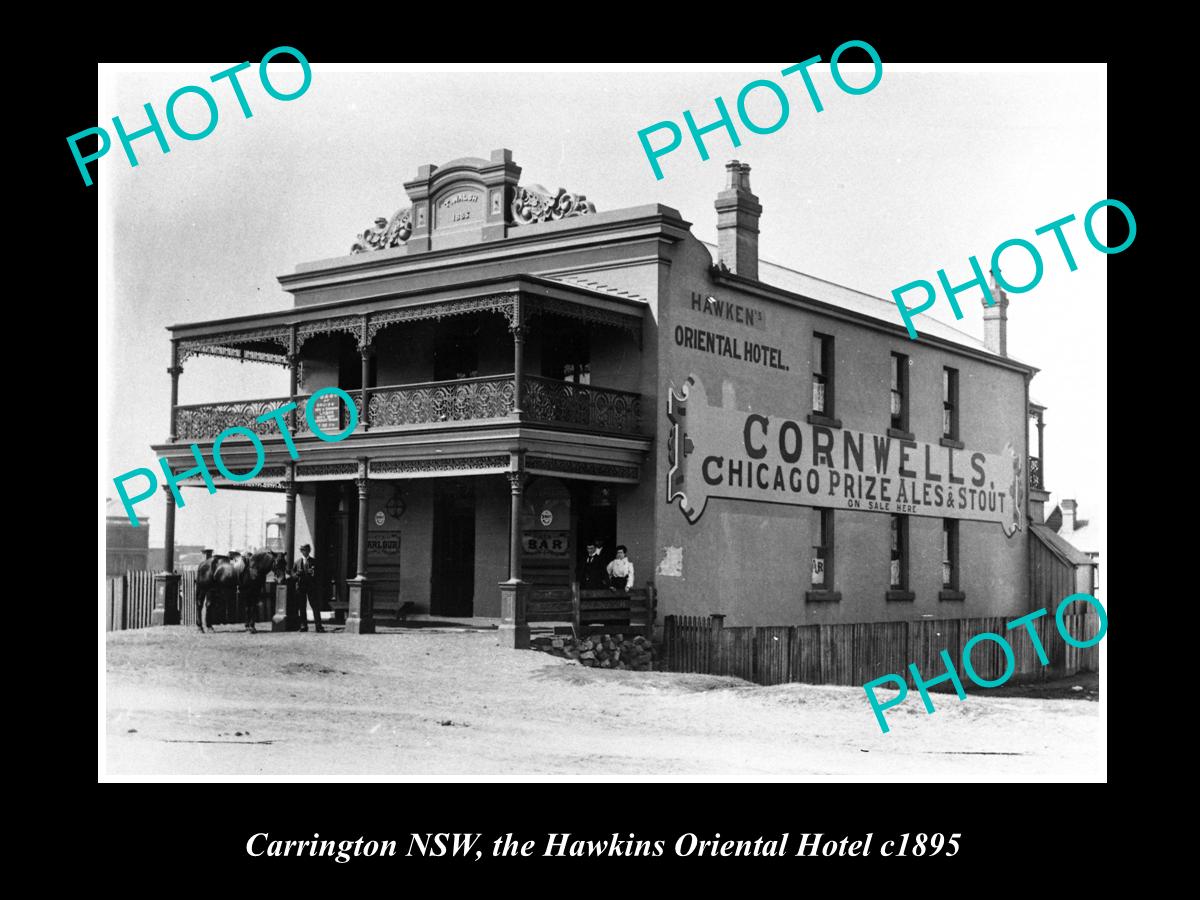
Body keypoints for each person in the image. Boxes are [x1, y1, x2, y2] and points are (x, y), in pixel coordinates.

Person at [294, 543, 325, 633]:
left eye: (307, 550)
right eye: (303, 550)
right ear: (301, 551)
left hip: (311, 587)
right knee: (302, 607)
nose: (305, 552)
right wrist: (297, 574)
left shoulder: (314, 562)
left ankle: (318, 626)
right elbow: (292, 574)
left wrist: (313, 573)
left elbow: (319, 575)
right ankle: (303, 626)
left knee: (315, 606)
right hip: (301, 587)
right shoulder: (297, 562)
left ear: (309, 551)